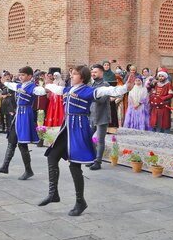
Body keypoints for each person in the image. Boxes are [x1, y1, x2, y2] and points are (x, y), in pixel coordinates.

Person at [38, 66, 133, 216]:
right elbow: (56, 89)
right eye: (72, 73)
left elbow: (108, 91)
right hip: (67, 128)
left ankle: (80, 201)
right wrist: (46, 84)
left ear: (82, 77)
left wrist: (125, 87)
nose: (72, 75)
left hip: (78, 129)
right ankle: (53, 193)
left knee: (74, 165)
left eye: (75, 74)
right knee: (52, 156)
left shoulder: (88, 91)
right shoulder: (69, 89)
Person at [0, 66, 42, 180]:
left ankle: (28, 170)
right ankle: (5, 166)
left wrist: (45, 87)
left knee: (22, 143)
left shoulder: (31, 87)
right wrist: (3, 80)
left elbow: (39, 91)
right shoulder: (20, 85)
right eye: (20, 74)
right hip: (18, 115)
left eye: (23, 75)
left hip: (25, 114)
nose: (20, 77)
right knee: (12, 140)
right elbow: (11, 85)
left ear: (30, 76)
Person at [87, 64, 111, 171]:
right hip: (92, 115)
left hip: (102, 116)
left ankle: (98, 162)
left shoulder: (105, 85)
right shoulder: (92, 85)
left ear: (101, 73)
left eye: (95, 72)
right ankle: (93, 158)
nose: (93, 74)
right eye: (92, 72)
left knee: (100, 140)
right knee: (88, 137)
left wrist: (89, 95)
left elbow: (101, 100)